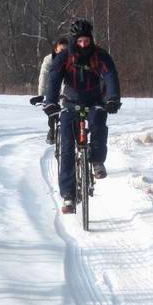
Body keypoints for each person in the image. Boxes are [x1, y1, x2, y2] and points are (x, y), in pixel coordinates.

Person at [43, 19, 121, 214]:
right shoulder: (65, 57)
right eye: (80, 41)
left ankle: (97, 161)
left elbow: (111, 75)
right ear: (74, 40)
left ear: (91, 39)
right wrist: (50, 101)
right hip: (70, 101)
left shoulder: (100, 55)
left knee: (98, 124)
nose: (84, 44)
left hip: (95, 99)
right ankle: (68, 195)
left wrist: (112, 99)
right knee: (67, 146)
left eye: (87, 40)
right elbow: (53, 79)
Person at [30, 37, 69, 144]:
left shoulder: (71, 58)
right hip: (52, 88)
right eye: (61, 50)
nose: (63, 53)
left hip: (66, 88)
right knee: (52, 109)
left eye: (66, 50)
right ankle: (52, 129)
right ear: (56, 50)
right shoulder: (49, 59)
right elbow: (44, 76)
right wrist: (41, 94)